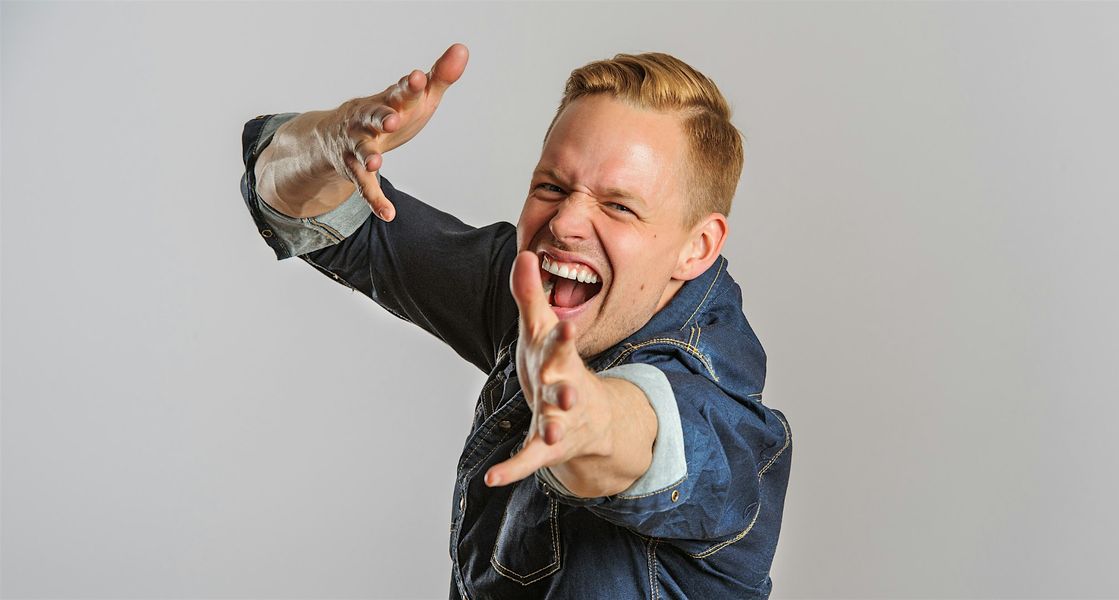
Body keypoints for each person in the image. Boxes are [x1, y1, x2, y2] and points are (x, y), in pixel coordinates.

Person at [239, 43, 791, 599]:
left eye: (619, 206)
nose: (566, 222)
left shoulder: (719, 403)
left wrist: (586, 418)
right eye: (552, 187)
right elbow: (313, 214)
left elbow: (651, 437)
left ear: (697, 247)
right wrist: (329, 143)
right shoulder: (529, 286)